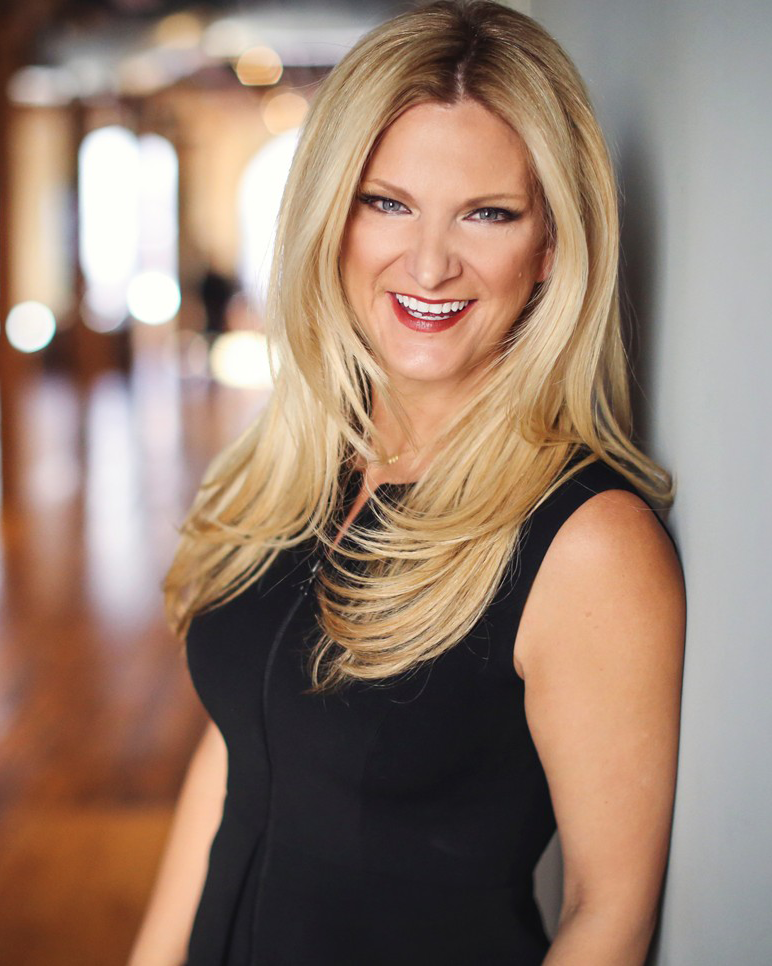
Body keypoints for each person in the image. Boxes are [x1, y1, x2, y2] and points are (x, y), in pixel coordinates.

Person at [128, 1, 685, 963]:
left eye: (488, 214)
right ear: (330, 216)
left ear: (551, 248)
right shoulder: (300, 470)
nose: (429, 264)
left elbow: (609, 915)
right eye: (387, 203)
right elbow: (241, 748)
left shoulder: (589, 544)